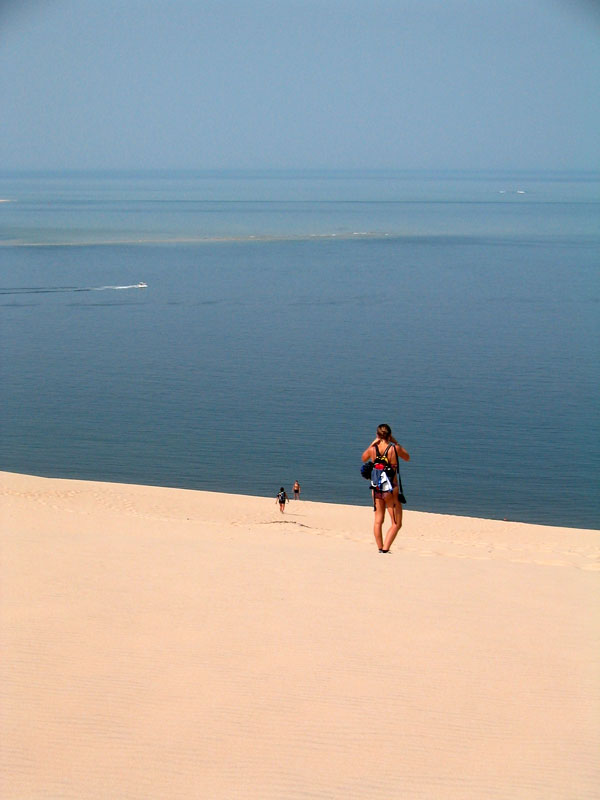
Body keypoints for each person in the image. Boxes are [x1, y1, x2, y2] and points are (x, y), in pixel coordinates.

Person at [361, 424, 410, 553]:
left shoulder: (373, 449)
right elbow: (407, 457)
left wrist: (372, 443)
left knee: (378, 520)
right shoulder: (394, 448)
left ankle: (380, 548)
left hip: (376, 488)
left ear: (377, 435)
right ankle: (385, 549)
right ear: (390, 435)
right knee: (396, 523)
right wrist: (396, 442)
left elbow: (363, 458)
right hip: (390, 489)